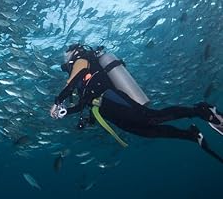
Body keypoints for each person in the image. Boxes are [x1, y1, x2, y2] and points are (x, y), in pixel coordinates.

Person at [50, 43, 223, 163]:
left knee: (151, 118)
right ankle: (191, 135)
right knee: (147, 132)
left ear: (73, 53)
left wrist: (58, 101)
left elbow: (71, 84)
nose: (65, 61)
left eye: (66, 57)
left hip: (111, 98)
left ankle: (201, 110)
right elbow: (82, 103)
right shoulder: (80, 80)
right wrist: (67, 111)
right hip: (105, 110)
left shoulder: (82, 60)